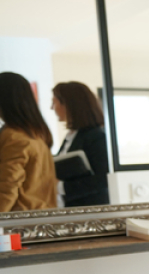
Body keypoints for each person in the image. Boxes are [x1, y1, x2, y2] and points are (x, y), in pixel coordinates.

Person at [0, 72, 57, 212]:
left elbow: (7, 187)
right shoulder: (36, 132)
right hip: (39, 215)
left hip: (20, 221)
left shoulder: (15, 136)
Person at [51, 81, 110, 206]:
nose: (52, 107)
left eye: (54, 102)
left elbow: (103, 179)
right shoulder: (72, 136)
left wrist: (60, 186)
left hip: (90, 213)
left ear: (68, 104)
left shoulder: (96, 136)